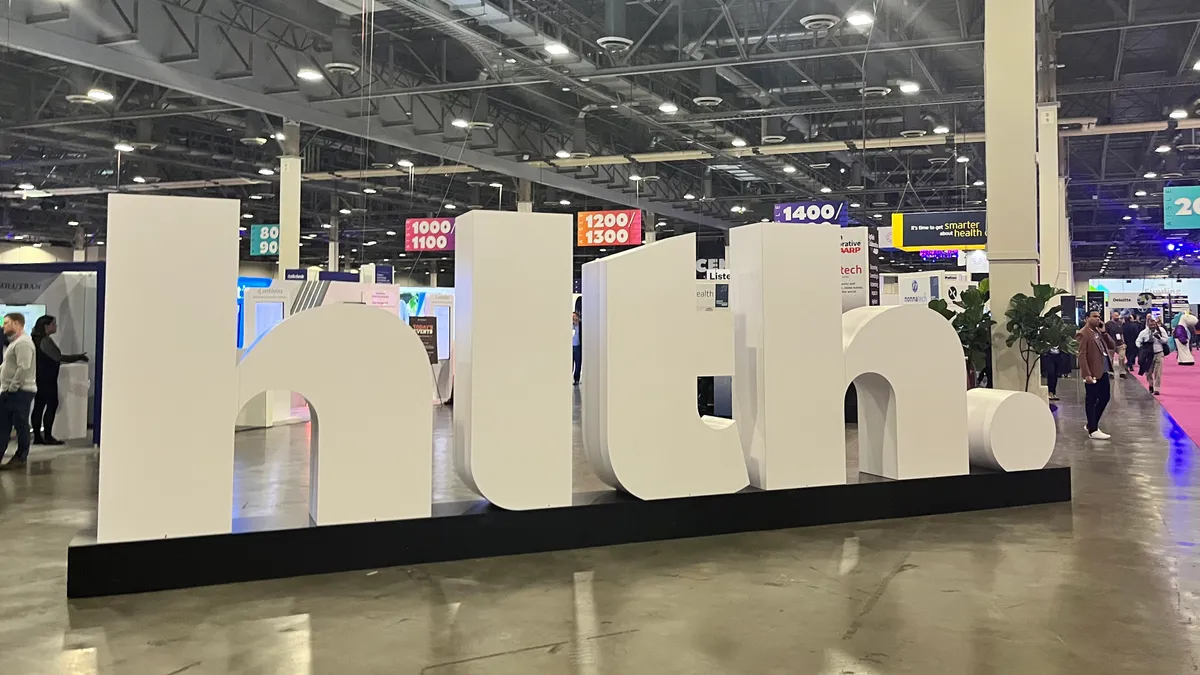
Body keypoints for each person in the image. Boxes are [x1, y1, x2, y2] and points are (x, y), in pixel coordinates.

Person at [30, 315, 87, 445]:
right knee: (51, 405)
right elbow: (58, 357)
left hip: (39, 378)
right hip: (47, 379)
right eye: (53, 324)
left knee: (39, 407)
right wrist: (78, 357)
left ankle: (38, 436)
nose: (56, 327)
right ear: (46, 326)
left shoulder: (35, 339)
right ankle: (48, 436)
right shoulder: (45, 341)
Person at [0, 313, 37, 470]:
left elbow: (23, 367)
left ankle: (21, 456)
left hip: (19, 392)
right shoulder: (15, 343)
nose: (4, 326)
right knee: (5, 425)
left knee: (20, 425)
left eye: (7, 323)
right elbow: (9, 366)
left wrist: (12, 387)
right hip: (11, 391)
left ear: (17, 323)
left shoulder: (23, 343)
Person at [1078, 310, 1117, 440]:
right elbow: (1081, 355)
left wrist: (1104, 332)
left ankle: (1091, 423)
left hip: (1103, 370)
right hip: (1092, 372)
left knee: (1105, 397)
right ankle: (1093, 429)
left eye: (1099, 317)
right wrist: (1086, 374)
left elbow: (1112, 345)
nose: (1098, 319)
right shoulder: (1083, 334)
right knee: (1091, 399)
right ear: (1086, 318)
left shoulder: (1098, 332)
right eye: (1094, 317)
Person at [1136, 315, 1171, 395]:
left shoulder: (1161, 330)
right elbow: (1137, 342)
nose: (1153, 326)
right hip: (1148, 355)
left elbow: (1166, 340)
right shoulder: (1144, 332)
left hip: (1159, 353)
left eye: (1154, 324)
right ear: (1148, 324)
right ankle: (1151, 384)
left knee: (1158, 372)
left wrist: (1159, 338)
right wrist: (1142, 347)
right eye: (1151, 325)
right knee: (1148, 372)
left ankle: (1157, 388)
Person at [1106, 311, 1127, 378]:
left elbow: (1122, 334)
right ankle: (1110, 372)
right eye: (1116, 316)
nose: (1117, 317)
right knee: (1110, 358)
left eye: (1118, 315)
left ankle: (1122, 372)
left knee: (1122, 357)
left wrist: (1123, 342)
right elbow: (1105, 334)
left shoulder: (1120, 323)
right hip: (1110, 344)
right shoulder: (1108, 324)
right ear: (1112, 316)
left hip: (1119, 343)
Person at [571, 311, 582, 386]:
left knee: (578, 364)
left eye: (575, 316)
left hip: (578, 347)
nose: (574, 318)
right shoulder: (570, 325)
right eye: (572, 317)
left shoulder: (581, 325)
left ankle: (576, 379)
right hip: (571, 347)